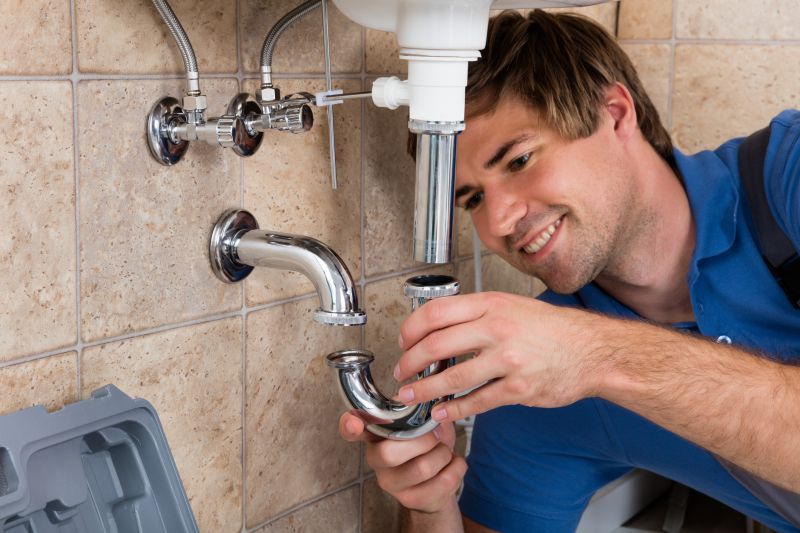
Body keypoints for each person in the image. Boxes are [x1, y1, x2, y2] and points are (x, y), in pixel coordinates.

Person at [339, 9, 800, 533]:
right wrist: (428, 506)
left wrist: (598, 355)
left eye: (518, 161)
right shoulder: (540, 381)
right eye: (472, 200)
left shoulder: (789, 175)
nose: (500, 220)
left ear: (616, 113)